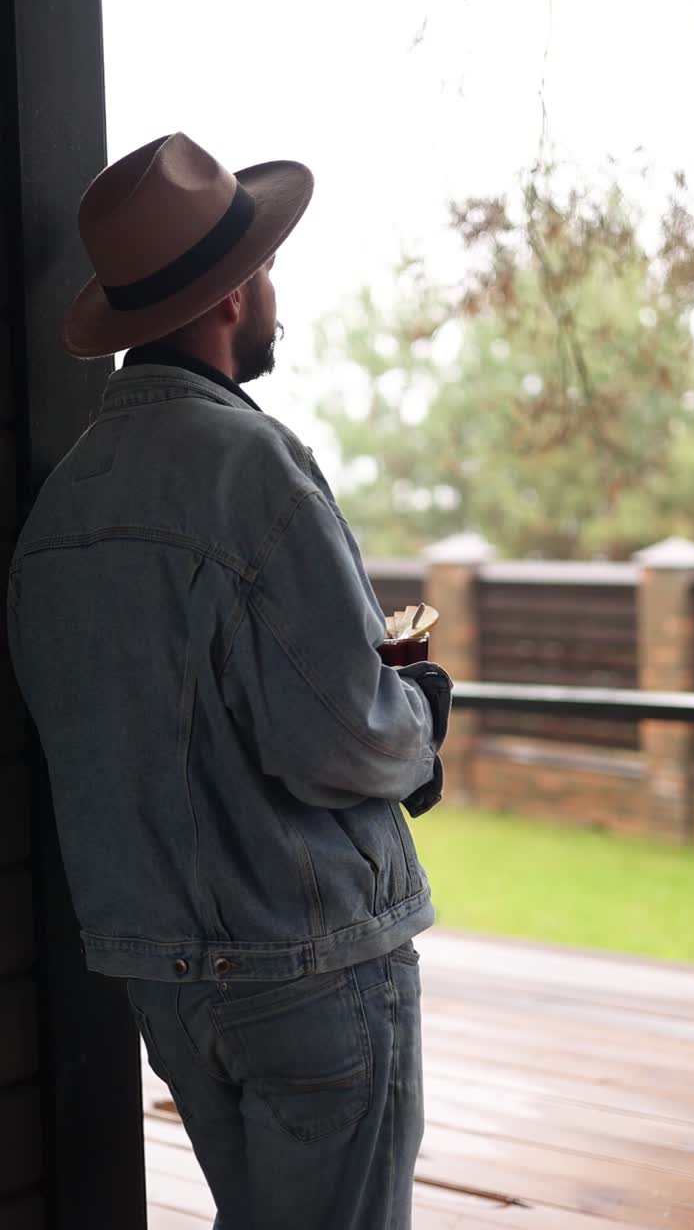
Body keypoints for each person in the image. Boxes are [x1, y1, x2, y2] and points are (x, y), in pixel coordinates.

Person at [7, 133, 452, 1230]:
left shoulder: (58, 508)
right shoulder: (252, 465)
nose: (271, 293)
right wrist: (424, 716)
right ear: (230, 295)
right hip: (310, 967)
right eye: (263, 271)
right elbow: (338, 733)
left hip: (167, 977)